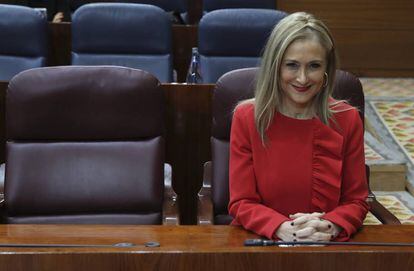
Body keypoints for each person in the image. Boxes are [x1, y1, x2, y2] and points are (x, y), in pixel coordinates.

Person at [228, 12, 369, 242]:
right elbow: (241, 202)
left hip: (326, 244)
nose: (302, 79)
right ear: (275, 66)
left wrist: (330, 226)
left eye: (313, 66)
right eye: (292, 65)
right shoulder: (247, 117)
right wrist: (282, 228)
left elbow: (356, 201)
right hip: (263, 241)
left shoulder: (347, 118)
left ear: (326, 70)